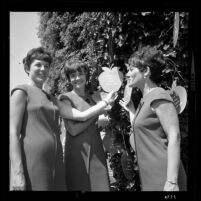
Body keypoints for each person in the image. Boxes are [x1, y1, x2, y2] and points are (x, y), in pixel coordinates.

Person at [9, 47, 117, 191]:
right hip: (33, 159)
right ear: (27, 68)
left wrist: (105, 102)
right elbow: (12, 133)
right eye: (38, 65)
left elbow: (81, 115)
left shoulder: (51, 98)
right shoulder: (21, 92)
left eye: (46, 66)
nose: (43, 69)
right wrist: (17, 172)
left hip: (55, 160)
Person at [119, 45, 187, 191]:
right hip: (149, 173)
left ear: (146, 72)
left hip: (163, 174)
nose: (127, 74)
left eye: (131, 70)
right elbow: (144, 134)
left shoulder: (159, 96)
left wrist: (172, 181)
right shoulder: (145, 100)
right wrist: (131, 110)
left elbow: (174, 136)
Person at [58, 60, 111, 191]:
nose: (77, 78)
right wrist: (97, 111)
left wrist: (105, 117)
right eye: (72, 76)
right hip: (77, 154)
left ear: (86, 74)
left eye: (80, 74)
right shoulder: (65, 98)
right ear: (69, 79)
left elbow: (105, 116)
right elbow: (73, 130)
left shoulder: (95, 96)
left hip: (96, 150)